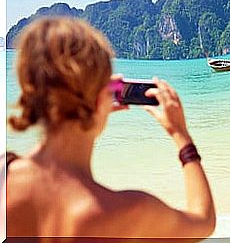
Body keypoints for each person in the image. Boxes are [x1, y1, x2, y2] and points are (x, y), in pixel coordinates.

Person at [1, 17, 216, 240]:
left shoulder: (4, 178)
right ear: (99, 100)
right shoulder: (129, 212)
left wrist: (92, 108)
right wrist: (181, 135)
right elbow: (203, 221)